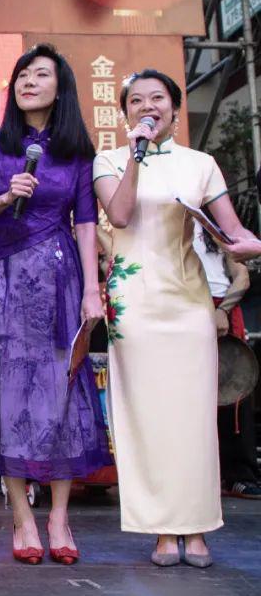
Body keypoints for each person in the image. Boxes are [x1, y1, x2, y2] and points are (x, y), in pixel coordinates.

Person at [0, 44, 113, 565]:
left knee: (60, 391)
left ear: (60, 88)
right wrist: (1, 198)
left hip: (61, 277)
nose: (29, 81)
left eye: (41, 74)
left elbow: (86, 222)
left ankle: (60, 517)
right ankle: (21, 515)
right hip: (4, 280)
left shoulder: (76, 151)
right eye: (22, 74)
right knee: (8, 393)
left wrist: (91, 289)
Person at [93, 69, 259, 568]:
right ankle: (163, 531)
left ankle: (198, 527)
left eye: (157, 98)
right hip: (132, 302)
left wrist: (249, 247)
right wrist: (137, 158)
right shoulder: (110, 160)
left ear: (174, 107)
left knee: (191, 417)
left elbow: (233, 234)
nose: (148, 106)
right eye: (136, 100)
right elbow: (119, 217)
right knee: (146, 416)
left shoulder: (201, 164)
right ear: (124, 113)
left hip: (188, 300)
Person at [192, 221, 261, 500]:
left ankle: (239, 474)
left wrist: (222, 310)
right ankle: (196, 474)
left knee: (234, 394)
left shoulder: (214, 228)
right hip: (187, 305)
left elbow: (242, 277)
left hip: (222, 306)